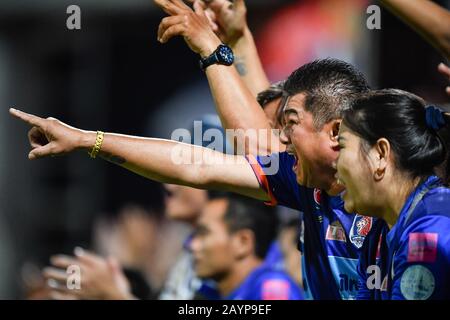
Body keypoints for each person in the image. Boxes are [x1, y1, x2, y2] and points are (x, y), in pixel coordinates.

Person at [336, 89, 450, 299]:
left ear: (380, 154)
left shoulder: (431, 227)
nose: (335, 164)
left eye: (341, 146)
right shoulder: (378, 234)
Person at [189, 194, 302, 300]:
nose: (192, 245)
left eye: (204, 233)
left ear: (243, 242)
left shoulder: (272, 290)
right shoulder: (207, 292)